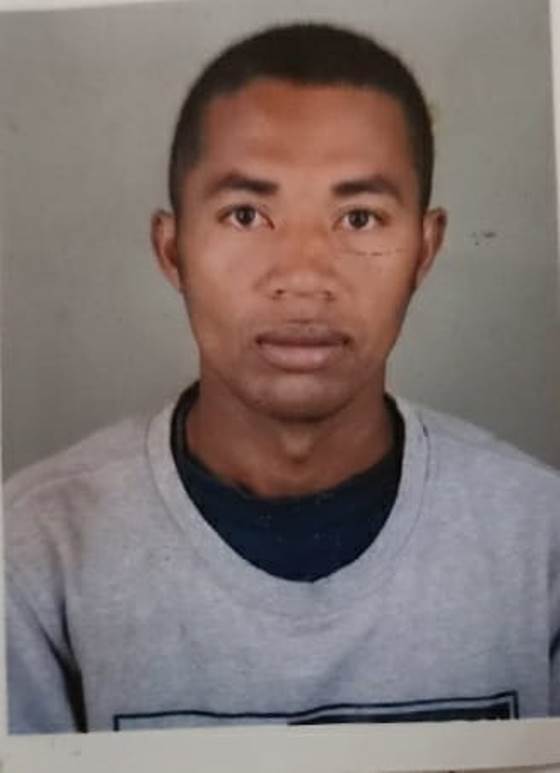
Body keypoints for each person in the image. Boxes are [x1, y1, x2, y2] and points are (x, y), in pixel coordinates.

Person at [5, 22, 560, 735]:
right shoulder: (33, 552)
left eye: (359, 217)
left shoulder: (539, 538)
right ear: (173, 251)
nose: (302, 277)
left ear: (424, 250)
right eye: (246, 215)